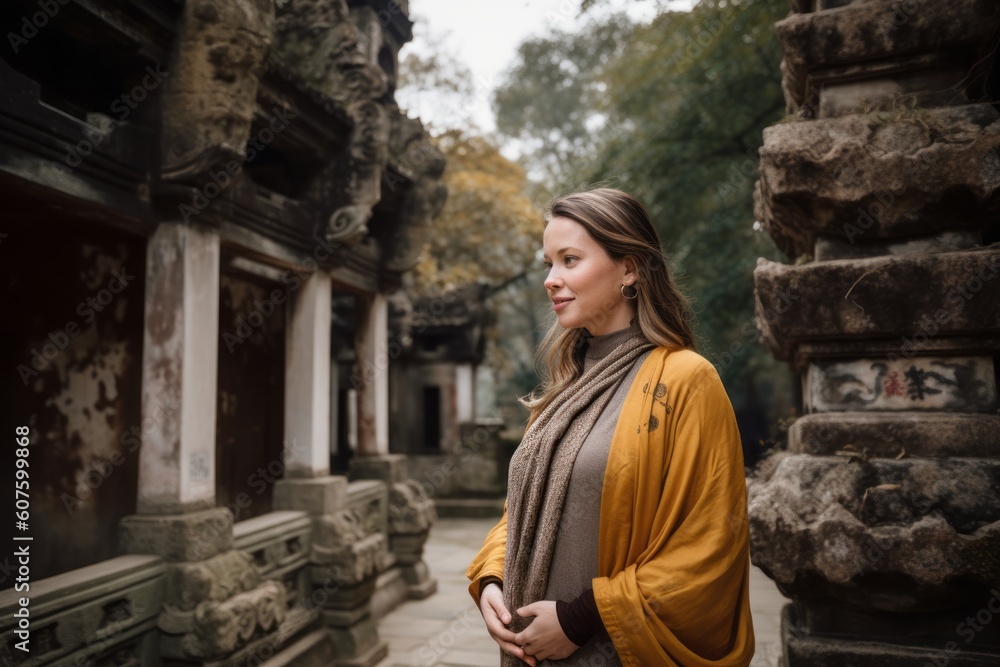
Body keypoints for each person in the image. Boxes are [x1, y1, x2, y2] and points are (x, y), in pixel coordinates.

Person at [466, 189, 754, 666]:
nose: (550, 280)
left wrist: (581, 618)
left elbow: (712, 542)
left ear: (629, 268)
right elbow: (518, 512)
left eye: (570, 260)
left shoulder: (686, 379)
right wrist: (494, 578)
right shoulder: (561, 391)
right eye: (548, 263)